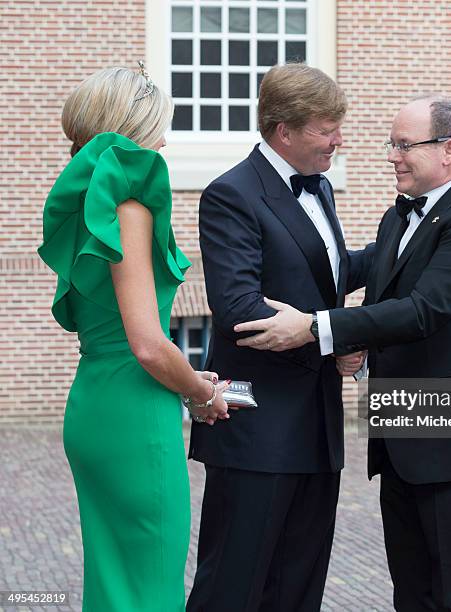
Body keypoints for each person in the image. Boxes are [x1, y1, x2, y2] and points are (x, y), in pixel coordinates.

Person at [234, 95, 451, 611]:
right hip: (403, 434)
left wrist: (315, 329)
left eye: (404, 145)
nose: (392, 155)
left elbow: (422, 311)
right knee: (411, 595)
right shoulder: (399, 215)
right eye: (392, 144)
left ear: (449, 150)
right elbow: (379, 291)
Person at [38, 63, 229, 611]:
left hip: (95, 403)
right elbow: (147, 345)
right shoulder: (129, 206)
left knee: (114, 584)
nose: (165, 141)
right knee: (150, 589)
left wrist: (190, 377)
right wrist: (200, 391)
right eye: (159, 127)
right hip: (136, 417)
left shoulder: (86, 206)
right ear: (134, 130)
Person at [186, 63, 374, 612]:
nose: (338, 140)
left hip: (318, 426)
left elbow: (326, 274)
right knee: (234, 588)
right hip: (258, 431)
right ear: (282, 130)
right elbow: (240, 310)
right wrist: (333, 335)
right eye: (326, 129)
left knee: (299, 589)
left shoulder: (320, 188)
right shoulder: (231, 195)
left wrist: (403, 247)